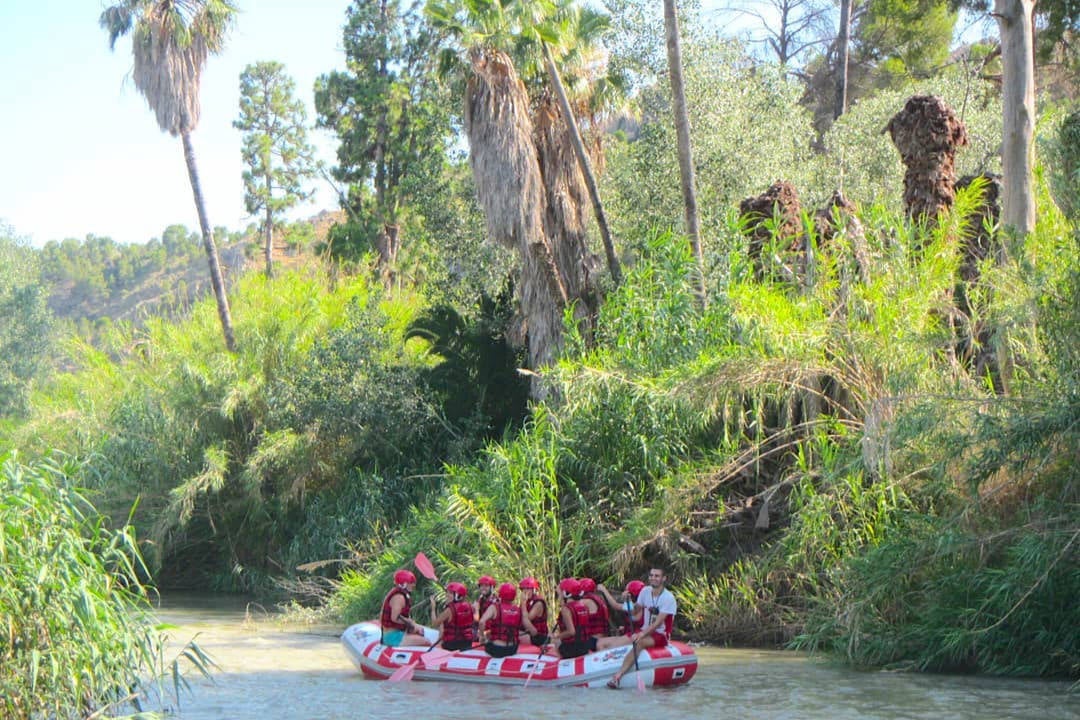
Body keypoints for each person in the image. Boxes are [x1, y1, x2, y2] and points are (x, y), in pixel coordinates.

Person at [606, 567, 677, 689]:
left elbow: (657, 624)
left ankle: (618, 676)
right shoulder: (645, 591)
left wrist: (641, 635)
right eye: (651, 575)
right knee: (621, 641)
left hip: (661, 635)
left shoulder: (668, 598)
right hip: (645, 630)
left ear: (664, 578)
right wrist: (627, 601)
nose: (653, 578)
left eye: (657, 576)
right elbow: (635, 611)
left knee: (639, 642)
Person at [380, 569, 437, 647]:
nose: (413, 585)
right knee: (426, 642)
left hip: (399, 632)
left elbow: (401, 618)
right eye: (411, 583)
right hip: (392, 636)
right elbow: (394, 618)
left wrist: (413, 625)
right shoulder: (399, 597)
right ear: (404, 584)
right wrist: (410, 623)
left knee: (421, 631)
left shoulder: (401, 594)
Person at [479, 582, 536, 658]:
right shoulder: (518, 610)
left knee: (486, 641)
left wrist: (482, 637)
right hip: (512, 649)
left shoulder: (494, 607)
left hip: (497, 649)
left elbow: (482, 622)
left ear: (500, 594)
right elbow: (531, 629)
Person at [551, 578, 591, 659]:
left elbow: (571, 632)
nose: (559, 594)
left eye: (560, 592)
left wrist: (557, 636)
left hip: (572, 649)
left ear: (566, 593)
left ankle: (561, 663)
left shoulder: (566, 609)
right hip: (585, 646)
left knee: (554, 640)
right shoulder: (584, 606)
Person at [430, 581, 476, 651]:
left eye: (451, 593)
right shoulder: (470, 606)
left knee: (442, 623)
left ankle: (439, 645)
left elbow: (434, 624)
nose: (447, 595)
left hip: (452, 645)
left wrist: (433, 609)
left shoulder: (449, 610)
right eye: (447, 592)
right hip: (467, 643)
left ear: (459, 596)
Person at [518, 576, 549, 646]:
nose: (525, 591)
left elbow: (526, 621)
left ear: (534, 590)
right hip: (529, 632)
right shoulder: (527, 601)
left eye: (528, 589)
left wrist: (523, 603)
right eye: (523, 589)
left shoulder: (538, 603)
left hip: (539, 636)